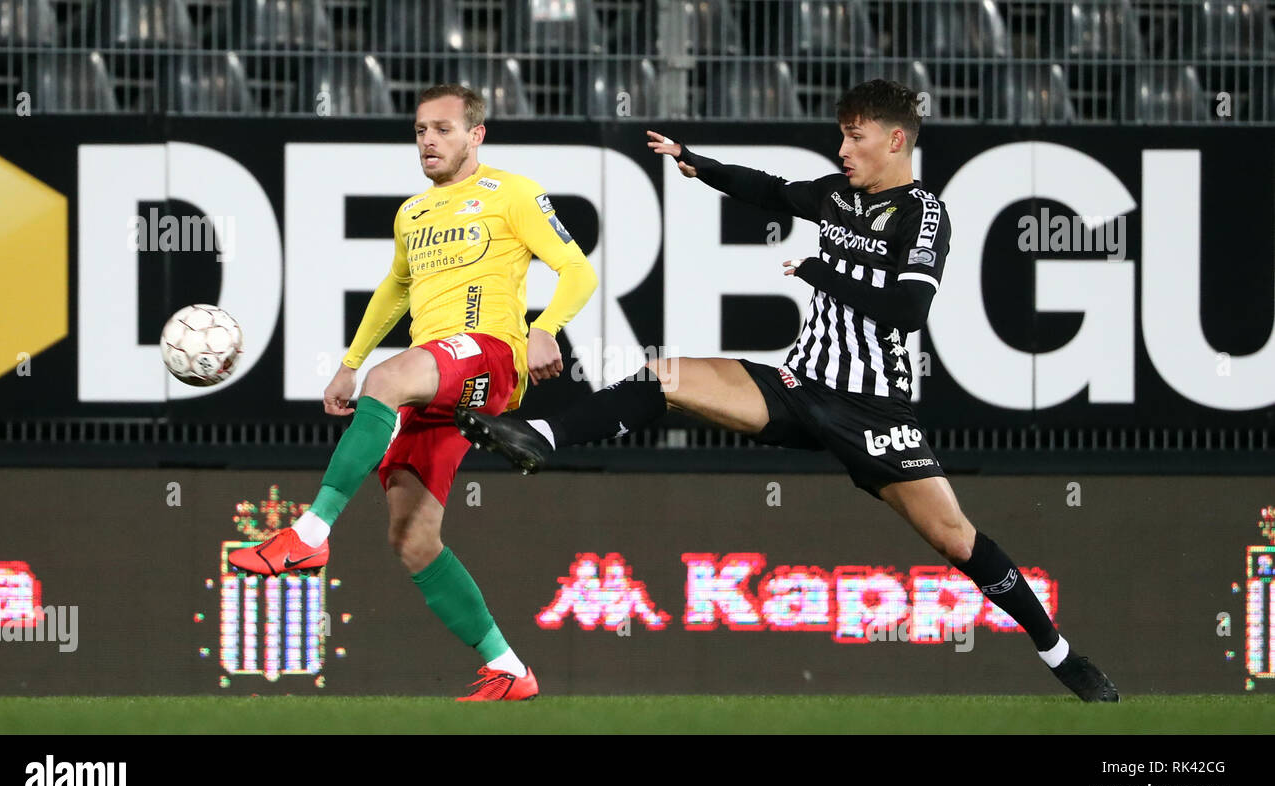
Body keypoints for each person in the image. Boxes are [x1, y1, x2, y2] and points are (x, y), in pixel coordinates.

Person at [456, 79, 1117, 701]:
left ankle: (1061, 655)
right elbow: (770, 191)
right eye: (841, 136)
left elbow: (908, 313)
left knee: (956, 541)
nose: (842, 149)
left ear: (895, 141)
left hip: (872, 413)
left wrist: (823, 274)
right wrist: (697, 162)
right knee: (667, 375)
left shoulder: (924, 215)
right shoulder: (835, 195)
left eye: (855, 137)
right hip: (799, 385)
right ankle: (540, 436)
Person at [229, 83, 598, 701]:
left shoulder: (513, 193)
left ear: (476, 136)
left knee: (389, 379)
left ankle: (310, 535)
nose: (428, 140)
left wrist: (545, 330)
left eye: (443, 130)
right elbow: (395, 289)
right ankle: (509, 668)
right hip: (439, 383)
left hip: (488, 354)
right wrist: (348, 363)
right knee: (412, 538)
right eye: (421, 130)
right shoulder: (413, 213)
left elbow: (578, 269)